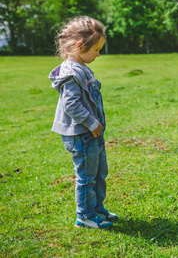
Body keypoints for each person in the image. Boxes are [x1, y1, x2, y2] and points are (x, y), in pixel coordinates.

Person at [49, 16, 118, 229]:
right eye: (96, 49)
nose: (98, 54)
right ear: (80, 46)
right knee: (87, 176)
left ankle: (97, 208)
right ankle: (85, 216)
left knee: (99, 172)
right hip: (82, 133)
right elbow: (72, 105)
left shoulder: (82, 66)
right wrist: (92, 123)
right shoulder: (71, 73)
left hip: (92, 132)